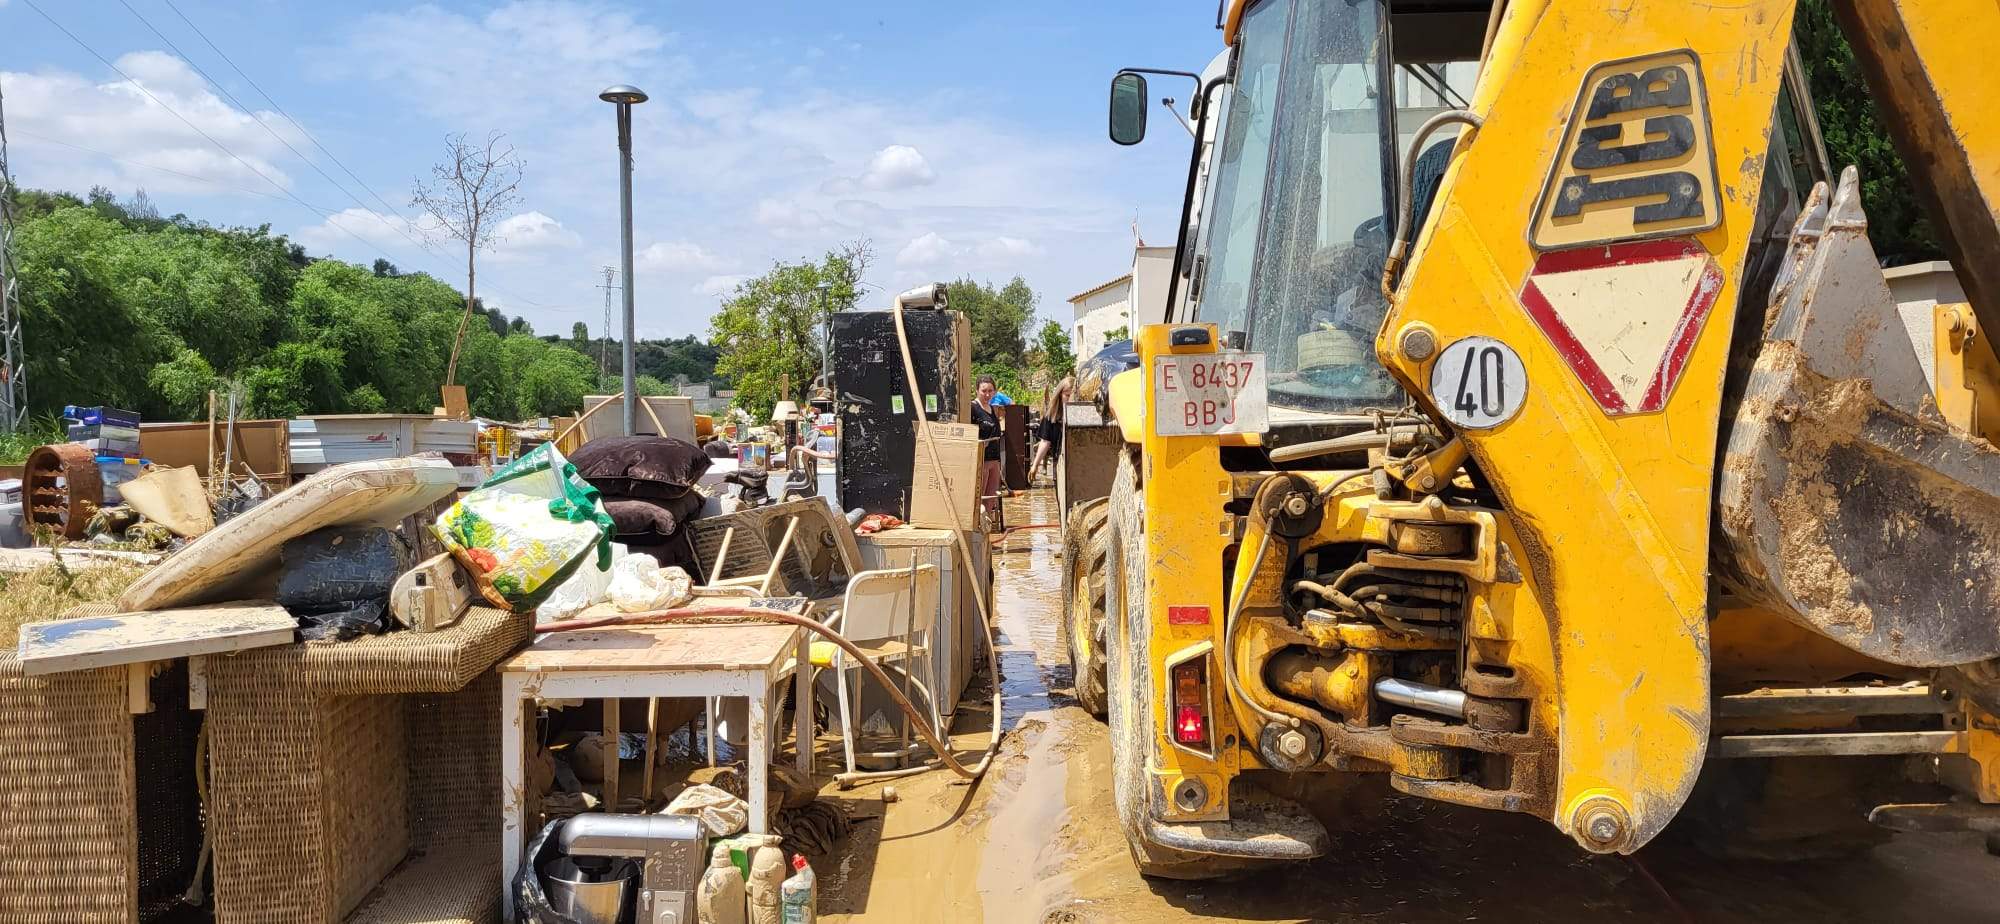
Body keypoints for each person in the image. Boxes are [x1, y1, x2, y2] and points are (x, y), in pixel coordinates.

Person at [971, 374, 1004, 522]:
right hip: (981, 460)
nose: (987, 394)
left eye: (990, 391)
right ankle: (976, 529)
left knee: (990, 499)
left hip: (994, 460)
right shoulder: (973, 408)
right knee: (979, 498)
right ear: (977, 390)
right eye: (984, 391)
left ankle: (987, 532)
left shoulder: (992, 408)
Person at [1029, 377, 1070, 485]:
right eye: (1067, 395)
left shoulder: (1082, 414)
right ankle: (1044, 467)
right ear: (1060, 394)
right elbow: (1045, 441)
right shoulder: (1051, 416)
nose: (1070, 399)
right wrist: (1035, 465)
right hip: (1060, 462)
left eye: (1072, 395)